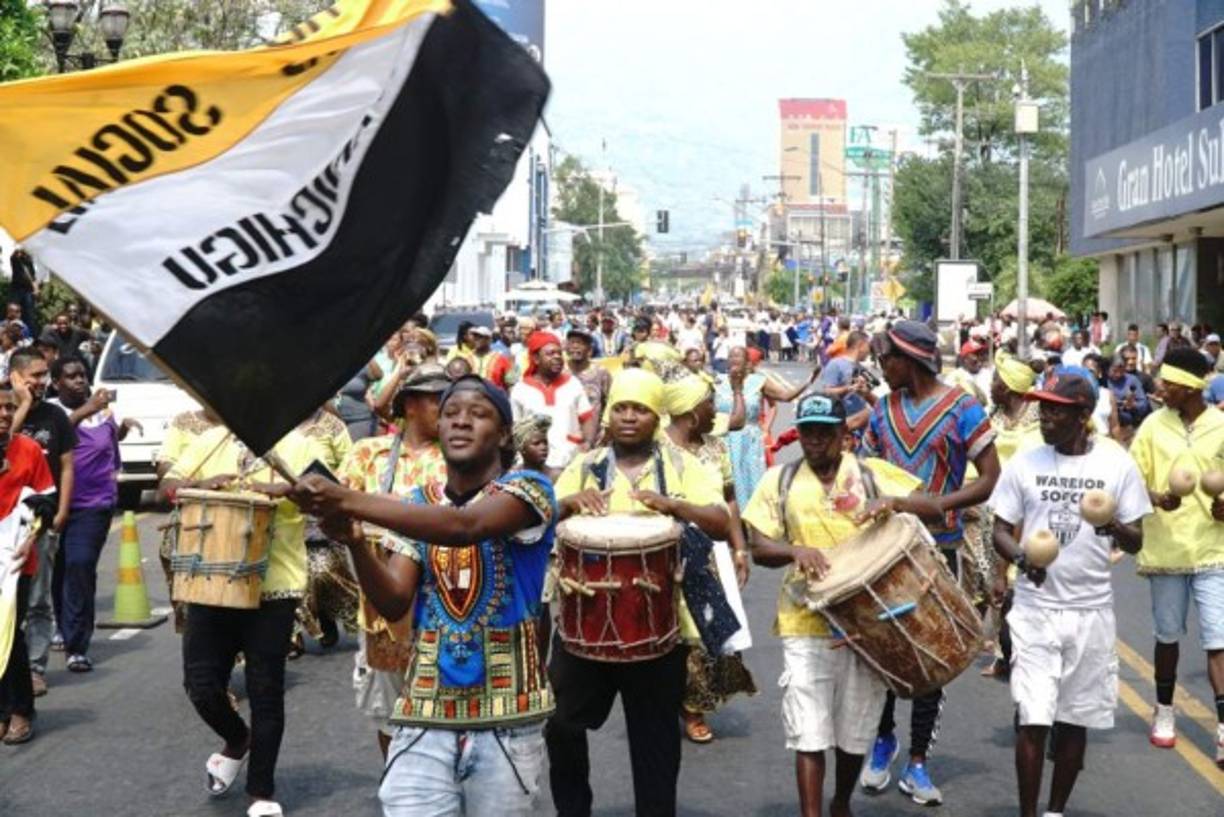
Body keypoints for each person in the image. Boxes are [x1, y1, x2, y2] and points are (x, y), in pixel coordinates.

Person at [290, 376, 558, 816]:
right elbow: (395, 601)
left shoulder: (531, 491)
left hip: (507, 720)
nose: (461, 422)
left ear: (505, 433)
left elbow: (463, 528)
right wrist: (356, 541)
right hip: (424, 712)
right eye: (451, 413)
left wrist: (346, 497)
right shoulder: (420, 502)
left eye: (479, 414)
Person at [743, 392, 942, 817]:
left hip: (868, 626)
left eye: (824, 432)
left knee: (855, 732)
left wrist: (896, 502)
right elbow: (758, 544)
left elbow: (935, 509)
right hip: (805, 620)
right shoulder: (779, 480)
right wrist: (794, 552)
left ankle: (840, 802)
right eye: (807, 432)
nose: (814, 440)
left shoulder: (871, 475)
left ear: (843, 435)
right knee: (809, 730)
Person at [548, 367, 730, 817]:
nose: (629, 418)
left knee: (656, 741)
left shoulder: (686, 467)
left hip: (657, 625)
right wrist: (568, 503)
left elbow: (720, 521)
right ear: (609, 415)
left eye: (641, 410)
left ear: (656, 418)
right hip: (585, 621)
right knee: (561, 725)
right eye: (621, 408)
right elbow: (543, 514)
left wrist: (674, 505)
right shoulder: (584, 467)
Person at [989, 369, 1150, 817]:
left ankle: (1055, 811)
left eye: (1056, 410)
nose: (1045, 417)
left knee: (1075, 718)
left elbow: (1136, 540)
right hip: (1036, 610)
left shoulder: (1116, 463)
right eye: (1043, 408)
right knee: (1034, 716)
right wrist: (1021, 561)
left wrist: (1111, 525)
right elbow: (1000, 529)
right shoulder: (1027, 461)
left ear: (1083, 414)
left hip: (1091, 612)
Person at [859, 321, 1000, 806]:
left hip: (940, 550)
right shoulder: (882, 410)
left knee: (930, 658)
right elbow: (865, 473)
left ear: (909, 360)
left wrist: (938, 505)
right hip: (886, 551)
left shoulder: (963, 407)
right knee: (882, 654)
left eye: (886, 360)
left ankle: (917, 761)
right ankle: (882, 741)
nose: (880, 369)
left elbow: (989, 478)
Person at [160, 425, 321, 817]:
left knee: (265, 691)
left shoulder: (300, 445)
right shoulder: (210, 439)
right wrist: (198, 482)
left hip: (275, 587)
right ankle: (237, 739)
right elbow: (169, 480)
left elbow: (327, 493)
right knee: (200, 686)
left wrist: (290, 490)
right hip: (211, 580)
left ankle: (261, 792)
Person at [338, 363, 449, 758]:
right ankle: (398, 781)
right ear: (411, 405)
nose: (450, 410)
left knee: (447, 707)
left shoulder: (458, 458)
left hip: (444, 607)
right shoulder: (368, 451)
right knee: (389, 712)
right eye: (439, 399)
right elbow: (340, 505)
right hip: (380, 610)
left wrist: (377, 506)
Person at [1127, 347, 1224, 765]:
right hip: (1165, 548)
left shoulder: (1221, 426)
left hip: (1214, 547)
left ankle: (1222, 726)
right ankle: (1164, 711)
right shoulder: (1151, 426)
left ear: (1190, 388)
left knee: (1219, 639)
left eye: (1168, 383)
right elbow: (1130, 480)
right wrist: (1155, 497)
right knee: (1168, 636)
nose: (1160, 388)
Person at [662, 372, 756, 745]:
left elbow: (729, 498)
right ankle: (667, 702)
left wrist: (739, 546)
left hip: (712, 551)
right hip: (669, 553)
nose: (712, 407)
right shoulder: (657, 448)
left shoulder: (716, 447)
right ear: (689, 412)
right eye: (706, 402)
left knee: (705, 631)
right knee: (671, 633)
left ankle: (693, 708)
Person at [46, 355, 140, 672]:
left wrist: (122, 430)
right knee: (59, 570)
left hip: (95, 504)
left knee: (80, 565)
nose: (80, 381)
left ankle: (77, 645)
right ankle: (62, 624)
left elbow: (108, 446)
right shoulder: (52, 412)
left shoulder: (104, 413)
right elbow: (57, 435)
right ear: (56, 382)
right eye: (71, 376)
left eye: (83, 375)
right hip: (55, 504)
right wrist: (87, 410)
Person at [9, 347, 75, 698]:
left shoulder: (55, 416)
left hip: (40, 523)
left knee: (38, 600)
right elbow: (4, 446)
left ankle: (34, 668)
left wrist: (62, 510)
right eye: (32, 375)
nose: (39, 381)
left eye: (42, 375)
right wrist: (18, 407)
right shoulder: (6, 411)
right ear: (15, 376)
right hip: (6, 525)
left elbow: (66, 465)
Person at [0, 380, 57, 746]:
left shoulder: (29, 450)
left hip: (15, 560)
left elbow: (46, 503)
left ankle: (20, 710)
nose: (4, 415)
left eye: (9, 408)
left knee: (7, 634)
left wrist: (31, 537)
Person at [980, 353, 1043, 679]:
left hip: (1030, 517)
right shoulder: (993, 420)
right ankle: (1005, 654)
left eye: (996, 381)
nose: (991, 386)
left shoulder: (1040, 424)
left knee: (1022, 585)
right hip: (995, 514)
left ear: (1010, 387)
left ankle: (1025, 655)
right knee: (998, 587)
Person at [289, 407, 357, 659]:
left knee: (321, 572)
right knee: (287, 576)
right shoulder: (277, 425)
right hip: (286, 508)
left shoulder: (333, 426)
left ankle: (325, 616)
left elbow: (350, 463)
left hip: (322, 508)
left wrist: (332, 486)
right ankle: (293, 637)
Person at [715, 347, 814, 508]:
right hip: (723, 441)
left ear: (747, 362)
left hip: (749, 443)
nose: (734, 359)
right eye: (731, 355)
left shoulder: (758, 381)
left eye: (738, 356)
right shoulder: (718, 381)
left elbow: (785, 396)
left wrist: (809, 380)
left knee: (750, 483)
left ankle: (748, 522)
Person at [510, 331, 596, 474]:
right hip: (533, 467)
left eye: (559, 353)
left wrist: (587, 443)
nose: (557, 357)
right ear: (536, 359)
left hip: (570, 463)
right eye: (550, 354)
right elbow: (516, 430)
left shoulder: (572, 383)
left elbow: (587, 418)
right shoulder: (521, 389)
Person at [814, 330, 872, 430]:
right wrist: (849, 388)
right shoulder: (835, 364)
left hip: (860, 424)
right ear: (860, 345)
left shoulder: (862, 368)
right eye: (868, 346)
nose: (869, 351)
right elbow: (827, 393)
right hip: (843, 423)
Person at [566, 328, 611, 437]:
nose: (575, 346)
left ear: (589, 349)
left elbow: (610, 401)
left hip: (594, 437)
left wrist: (606, 431)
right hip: (565, 436)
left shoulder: (601, 372)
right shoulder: (559, 371)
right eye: (572, 342)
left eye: (580, 343)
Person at [1106, 356, 1150, 443]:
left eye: (1121, 371)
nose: (1118, 374)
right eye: (1115, 371)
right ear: (1107, 369)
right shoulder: (1103, 381)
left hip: (1129, 426)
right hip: (1108, 426)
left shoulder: (1132, 380)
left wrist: (1133, 405)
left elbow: (1144, 403)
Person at [468, 325, 515, 390]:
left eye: (480, 337)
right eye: (475, 336)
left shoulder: (500, 359)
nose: (476, 339)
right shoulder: (467, 358)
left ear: (488, 340)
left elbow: (511, 382)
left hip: (494, 398)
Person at [8, 247, 39, 336]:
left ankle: (30, 336)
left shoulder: (29, 261)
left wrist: (36, 289)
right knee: (12, 311)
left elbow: (33, 277)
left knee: (29, 315)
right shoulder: (16, 259)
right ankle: (9, 333)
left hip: (27, 290)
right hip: (17, 289)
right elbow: (14, 255)